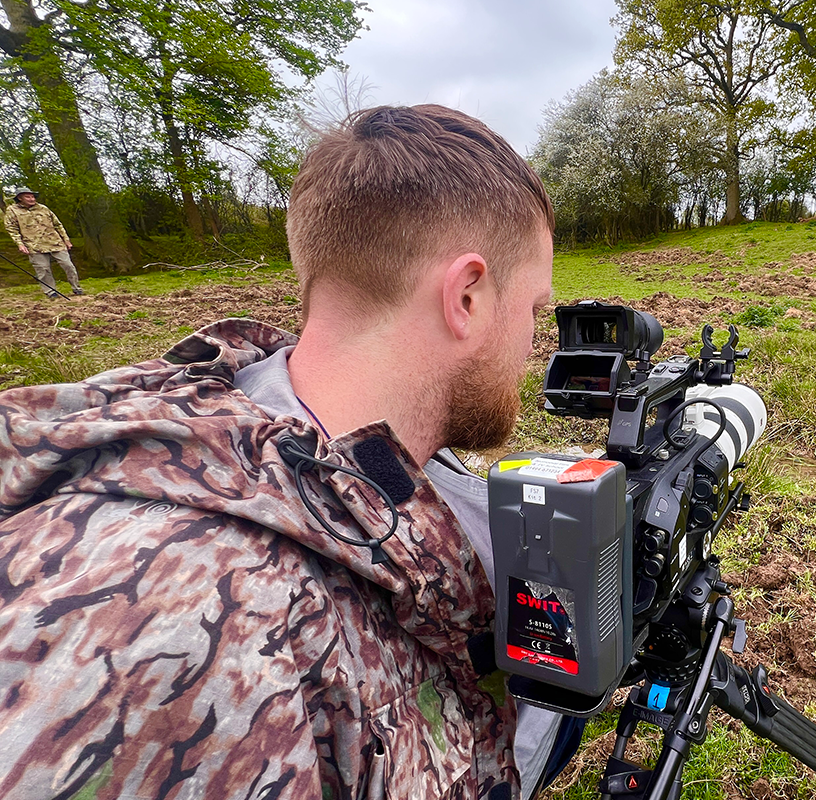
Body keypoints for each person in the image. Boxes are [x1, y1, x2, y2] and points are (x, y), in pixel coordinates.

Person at [0, 105, 574, 800]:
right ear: (467, 295)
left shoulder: (375, 460)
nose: (531, 345)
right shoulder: (172, 619)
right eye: (535, 311)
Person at [3, 186, 84, 297]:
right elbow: (12, 228)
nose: (31, 199)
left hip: (55, 242)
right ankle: (51, 292)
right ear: (19, 198)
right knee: (43, 269)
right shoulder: (12, 210)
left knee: (68, 265)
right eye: (28, 197)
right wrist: (20, 244)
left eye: (32, 196)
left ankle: (77, 288)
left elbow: (57, 224)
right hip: (33, 244)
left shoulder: (43, 208)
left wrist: (66, 240)